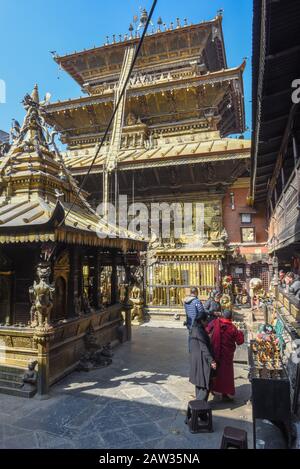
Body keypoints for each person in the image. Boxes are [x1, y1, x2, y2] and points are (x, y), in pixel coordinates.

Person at [206, 310, 244, 400]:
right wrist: (241, 333)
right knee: (225, 375)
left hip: (214, 353)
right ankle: (224, 394)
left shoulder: (214, 322)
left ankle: (211, 389)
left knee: (213, 372)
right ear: (231, 317)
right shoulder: (232, 328)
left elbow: (206, 330)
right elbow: (240, 341)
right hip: (226, 356)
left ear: (222, 316)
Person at [189, 311, 217, 401]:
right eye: (206, 321)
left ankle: (198, 404)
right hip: (202, 359)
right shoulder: (199, 331)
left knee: (199, 383)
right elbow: (203, 347)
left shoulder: (195, 328)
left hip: (196, 358)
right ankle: (200, 405)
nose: (207, 323)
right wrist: (211, 361)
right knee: (205, 383)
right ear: (201, 320)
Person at [183, 287, 205, 351]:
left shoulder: (186, 301)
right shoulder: (196, 301)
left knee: (191, 336)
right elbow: (201, 312)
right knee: (200, 337)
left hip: (189, 321)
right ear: (195, 292)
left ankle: (191, 349)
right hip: (196, 322)